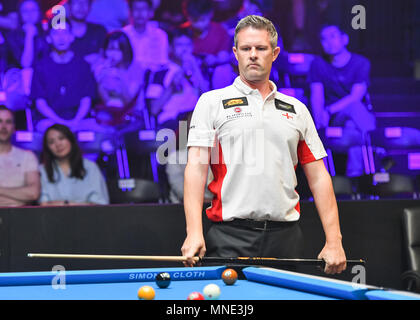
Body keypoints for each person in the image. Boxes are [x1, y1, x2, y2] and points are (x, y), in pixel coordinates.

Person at [181, 15, 347, 275]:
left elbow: (319, 177)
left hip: (287, 238)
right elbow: (195, 169)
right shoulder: (211, 102)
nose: (253, 55)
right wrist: (194, 233)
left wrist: (334, 241)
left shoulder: (297, 109)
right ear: (235, 53)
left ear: (275, 53)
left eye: (261, 48)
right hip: (229, 237)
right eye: (246, 49)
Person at [308, 24, 375, 177]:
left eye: (333, 36)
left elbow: (356, 96)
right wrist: (319, 120)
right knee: (355, 118)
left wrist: (328, 110)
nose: (328, 42)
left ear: (345, 39)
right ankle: (359, 176)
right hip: (333, 119)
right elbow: (316, 94)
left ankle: (353, 177)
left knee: (354, 118)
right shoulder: (318, 64)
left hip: (354, 115)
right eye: (323, 39)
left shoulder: (361, 63)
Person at [30, 19, 99, 133]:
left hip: (79, 120)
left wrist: (75, 121)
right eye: (56, 33)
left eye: (65, 32)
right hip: (50, 120)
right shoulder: (40, 66)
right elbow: (40, 103)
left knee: (100, 128)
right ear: (49, 38)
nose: (61, 37)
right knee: (46, 128)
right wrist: (60, 122)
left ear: (72, 36)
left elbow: (86, 99)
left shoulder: (83, 65)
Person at [39, 123, 109, 206]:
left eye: (61, 138)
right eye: (51, 142)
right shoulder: (42, 170)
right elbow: (43, 204)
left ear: (71, 140)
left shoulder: (90, 167)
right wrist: (80, 204)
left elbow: (100, 203)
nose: (58, 144)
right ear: (47, 148)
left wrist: (65, 204)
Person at [91, 31, 145, 128]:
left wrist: (119, 77)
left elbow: (128, 101)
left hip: (132, 114)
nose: (113, 54)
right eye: (110, 49)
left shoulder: (136, 68)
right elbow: (106, 101)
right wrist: (100, 79)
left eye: (118, 50)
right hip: (109, 114)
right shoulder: (101, 67)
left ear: (125, 51)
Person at [0, 105, 40, 206]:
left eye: (8, 122)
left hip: (20, 217)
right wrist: (18, 198)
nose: (3, 126)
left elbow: (33, 194)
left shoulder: (27, 157)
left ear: (14, 128)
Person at [122, 0, 169, 71]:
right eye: (136, 9)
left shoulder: (160, 35)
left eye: (143, 9)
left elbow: (162, 62)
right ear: (130, 12)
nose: (139, 13)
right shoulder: (123, 34)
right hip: (127, 76)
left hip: (153, 77)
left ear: (150, 13)